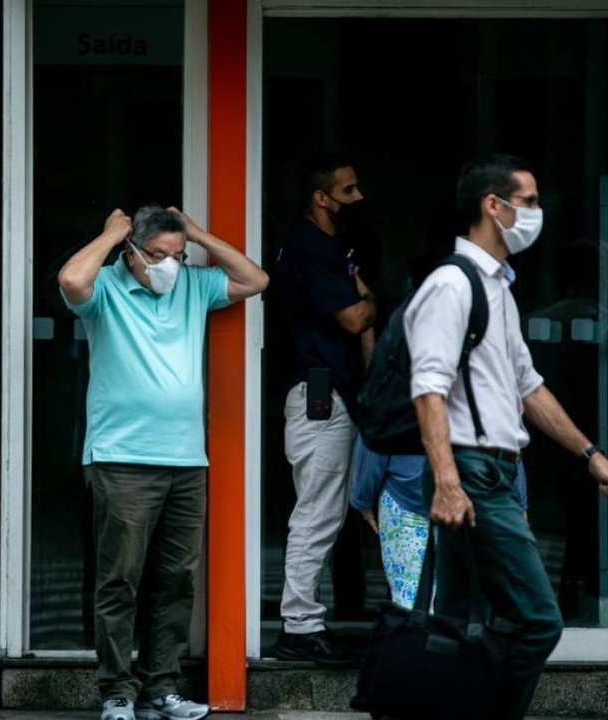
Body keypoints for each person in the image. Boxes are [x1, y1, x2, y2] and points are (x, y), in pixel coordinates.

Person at [404, 153, 608, 720]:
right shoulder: (451, 286)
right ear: (493, 206)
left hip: (494, 469)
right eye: (528, 202)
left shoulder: (497, 287)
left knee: (461, 617)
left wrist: (590, 454)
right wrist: (449, 483)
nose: (536, 213)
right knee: (537, 619)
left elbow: (529, 386)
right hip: (472, 471)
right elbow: (427, 388)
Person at [58, 205, 268, 720]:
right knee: (120, 580)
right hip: (121, 458)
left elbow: (255, 279)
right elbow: (70, 278)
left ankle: (161, 688)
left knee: (175, 580)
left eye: (178, 255)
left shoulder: (193, 287)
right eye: (158, 255)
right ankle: (117, 693)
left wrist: (196, 234)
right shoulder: (106, 290)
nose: (170, 266)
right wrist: (110, 234)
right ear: (132, 254)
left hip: (185, 460)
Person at [273, 154, 375, 664]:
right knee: (317, 511)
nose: (358, 199)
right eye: (349, 190)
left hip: (331, 393)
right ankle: (298, 627)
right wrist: (370, 299)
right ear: (322, 197)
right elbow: (356, 318)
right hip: (317, 394)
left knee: (331, 510)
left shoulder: (330, 246)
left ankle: (309, 620)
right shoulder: (309, 246)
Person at [349, 434, 529, 608]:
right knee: (462, 605)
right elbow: (508, 436)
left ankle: (417, 635)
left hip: (408, 495)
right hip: (471, 496)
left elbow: (375, 433)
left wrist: (363, 497)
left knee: (409, 600)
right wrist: (517, 500)